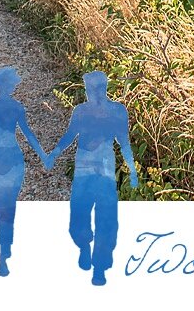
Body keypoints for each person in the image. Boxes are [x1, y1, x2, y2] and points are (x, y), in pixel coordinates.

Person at [44, 70, 139, 286]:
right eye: (88, 89)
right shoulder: (81, 112)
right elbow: (70, 135)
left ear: (104, 88)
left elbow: (124, 142)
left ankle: (100, 267)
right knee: (78, 218)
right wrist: (54, 154)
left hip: (105, 173)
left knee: (106, 221)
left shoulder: (117, 111)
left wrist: (132, 170)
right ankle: (84, 246)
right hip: (83, 171)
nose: (91, 93)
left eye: (95, 88)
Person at [0, 67, 50, 277]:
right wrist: (43, 155)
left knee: (0, 205)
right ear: (11, 85)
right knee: (10, 205)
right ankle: (5, 248)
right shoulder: (17, 107)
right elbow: (28, 134)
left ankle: (3, 247)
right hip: (13, 158)